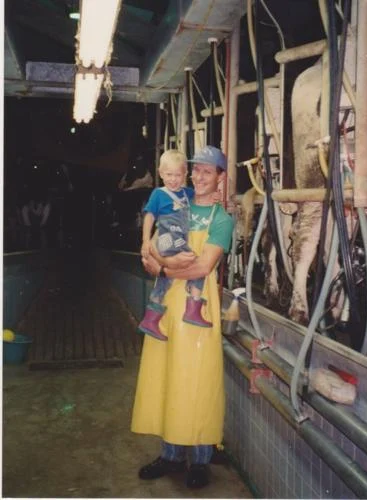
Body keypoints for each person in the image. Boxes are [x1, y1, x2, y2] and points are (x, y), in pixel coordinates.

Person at [131, 145, 234, 489]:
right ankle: (171, 455)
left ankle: (201, 460)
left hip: (198, 312)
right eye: (197, 169)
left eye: (208, 171)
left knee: (198, 383)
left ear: (221, 178)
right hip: (166, 310)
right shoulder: (180, 201)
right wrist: (153, 255)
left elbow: (204, 266)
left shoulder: (222, 219)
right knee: (167, 378)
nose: (199, 176)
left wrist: (161, 265)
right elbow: (153, 247)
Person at [138, 149, 216, 341]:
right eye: (169, 175)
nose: (173, 179)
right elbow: (149, 217)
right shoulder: (159, 194)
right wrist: (146, 241)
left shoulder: (187, 193)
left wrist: (216, 198)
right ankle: (193, 306)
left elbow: (203, 198)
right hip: (167, 239)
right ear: (160, 173)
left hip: (178, 239)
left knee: (165, 281)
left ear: (185, 175)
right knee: (197, 265)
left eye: (178, 175)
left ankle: (151, 318)